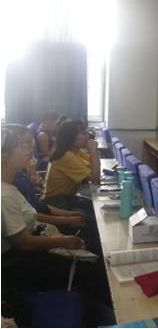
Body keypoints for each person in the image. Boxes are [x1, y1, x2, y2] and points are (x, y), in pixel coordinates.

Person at [1, 124, 113, 327]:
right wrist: (63, 241)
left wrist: (63, 234)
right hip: (17, 266)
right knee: (89, 267)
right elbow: (22, 242)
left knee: (90, 256)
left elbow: (33, 213)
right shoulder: (4, 194)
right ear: (4, 154)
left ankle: (103, 311)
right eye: (24, 146)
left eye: (30, 145)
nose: (30, 151)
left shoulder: (11, 184)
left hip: (27, 253)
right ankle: (107, 316)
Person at [43, 119, 100, 202]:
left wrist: (93, 153)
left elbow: (93, 168)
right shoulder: (67, 156)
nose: (87, 136)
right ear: (71, 137)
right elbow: (96, 179)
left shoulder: (75, 151)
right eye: (83, 133)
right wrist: (93, 151)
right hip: (56, 203)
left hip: (65, 199)